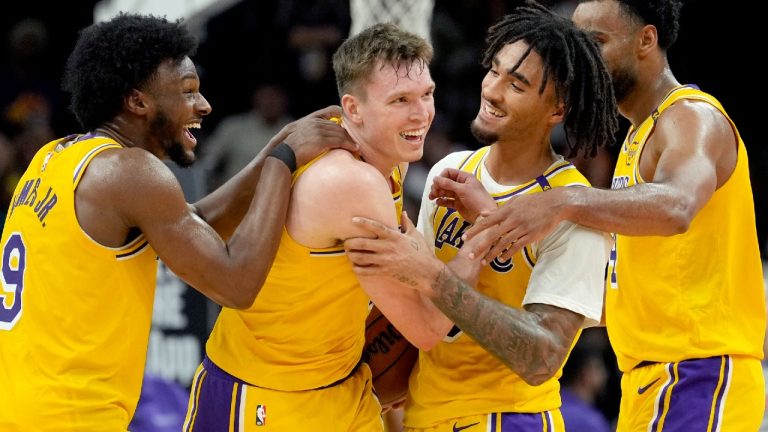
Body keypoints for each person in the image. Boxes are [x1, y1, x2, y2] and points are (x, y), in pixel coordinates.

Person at [0, 14, 355, 431]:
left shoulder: (52, 158)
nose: (204, 106)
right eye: (187, 92)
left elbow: (191, 223)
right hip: (73, 417)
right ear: (138, 102)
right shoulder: (131, 172)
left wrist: (275, 147)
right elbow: (236, 283)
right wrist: (283, 164)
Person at [454, 0, 767, 430]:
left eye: (596, 42)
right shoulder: (638, 139)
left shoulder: (691, 117)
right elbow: (627, 288)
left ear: (646, 40)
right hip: (648, 382)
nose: (582, 59)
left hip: (697, 375)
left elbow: (677, 205)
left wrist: (564, 201)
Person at [344, 3, 618, 431]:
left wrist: (432, 275)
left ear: (557, 111)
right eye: (494, 70)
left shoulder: (572, 210)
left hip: (508, 417)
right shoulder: (449, 171)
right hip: (426, 413)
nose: (491, 89)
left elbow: (542, 357)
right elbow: (426, 318)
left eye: (517, 84)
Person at [183, 23, 444, 431]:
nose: (421, 113)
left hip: (340, 384)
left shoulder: (385, 147)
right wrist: (465, 252)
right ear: (353, 109)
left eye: (427, 94)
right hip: (267, 395)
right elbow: (427, 329)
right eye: (400, 100)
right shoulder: (351, 182)